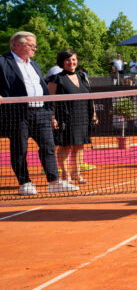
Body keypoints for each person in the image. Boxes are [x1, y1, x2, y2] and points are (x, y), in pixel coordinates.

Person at [0, 31, 79, 195]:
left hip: (41, 112)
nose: (35, 48)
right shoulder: (2, 62)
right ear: (17, 45)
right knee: (19, 149)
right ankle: (25, 182)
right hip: (18, 114)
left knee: (48, 147)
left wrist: (49, 111)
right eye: (31, 45)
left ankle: (54, 181)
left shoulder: (34, 64)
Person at [47, 49, 98, 185]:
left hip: (82, 116)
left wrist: (93, 113)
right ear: (62, 62)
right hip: (64, 117)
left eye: (74, 59)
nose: (71, 62)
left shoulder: (83, 77)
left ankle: (76, 174)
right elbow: (50, 101)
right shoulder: (55, 79)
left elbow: (90, 97)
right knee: (65, 146)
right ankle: (65, 175)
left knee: (79, 146)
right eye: (68, 60)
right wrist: (52, 118)